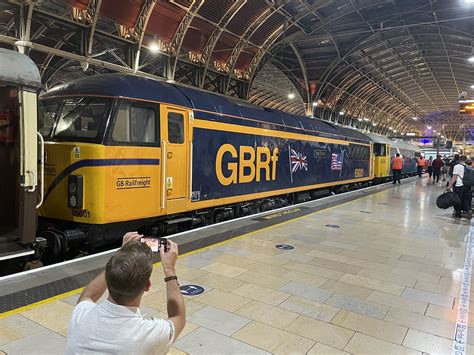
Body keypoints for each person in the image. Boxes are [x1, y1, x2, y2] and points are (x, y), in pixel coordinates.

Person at [66, 232, 186, 354]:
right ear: (147, 285)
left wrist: (121, 256)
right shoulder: (150, 335)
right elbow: (178, 317)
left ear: (108, 278)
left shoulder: (81, 314)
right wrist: (169, 268)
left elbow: (88, 295)